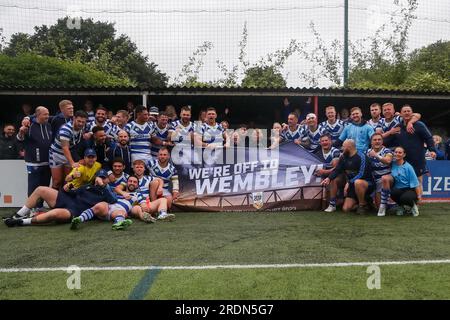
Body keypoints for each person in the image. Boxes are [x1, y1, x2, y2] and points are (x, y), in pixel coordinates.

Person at [4, 171, 116, 227]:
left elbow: (113, 200)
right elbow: (72, 192)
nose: (100, 179)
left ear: (107, 180)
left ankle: (21, 222)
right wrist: (67, 189)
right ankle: (18, 214)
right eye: (99, 177)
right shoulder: (87, 186)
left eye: (103, 178)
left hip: (75, 211)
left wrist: (103, 186)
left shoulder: (107, 191)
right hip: (67, 200)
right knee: (41, 189)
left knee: (54, 214)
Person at [322, 139, 374, 214]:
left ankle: (362, 205)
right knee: (346, 209)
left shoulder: (362, 157)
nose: (342, 149)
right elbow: (337, 169)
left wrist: (349, 182)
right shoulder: (343, 157)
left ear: (349, 147)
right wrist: (329, 178)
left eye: (343, 146)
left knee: (358, 182)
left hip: (366, 184)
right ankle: (367, 203)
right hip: (352, 185)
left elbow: (362, 174)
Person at [395, 105, 436, 197]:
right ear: (401, 114)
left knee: (417, 181)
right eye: (404, 111)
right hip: (403, 160)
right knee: (405, 181)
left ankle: (417, 203)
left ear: (412, 113)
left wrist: (432, 150)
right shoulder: (398, 127)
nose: (406, 113)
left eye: (408, 111)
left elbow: (429, 138)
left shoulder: (419, 125)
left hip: (417, 159)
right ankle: (407, 202)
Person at [16, 107, 52, 206]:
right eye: (45, 114)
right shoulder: (29, 126)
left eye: (48, 114)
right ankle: (31, 208)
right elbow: (19, 139)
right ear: (37, 115)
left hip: (47, 162)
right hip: (33, 162)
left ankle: (39, 207)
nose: (47, 116)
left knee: (44, 187)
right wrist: (21, 132)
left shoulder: (49, 125)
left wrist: (27, 117)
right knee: (33, 187)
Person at [48, 110, 88, 189]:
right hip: (57, 154)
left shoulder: (83, 127)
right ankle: (53, 200)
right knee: (57, 181)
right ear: (74, 118)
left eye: (83, 122)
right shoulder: (65, 130)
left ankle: (64, 199)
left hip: (70, 153)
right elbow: (65, 148)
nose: (80, 124)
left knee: (68, 180)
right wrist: (72, 163)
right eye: (79, 121)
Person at [366, 133, 394, 216]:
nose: (377, 141)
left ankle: (391, 203)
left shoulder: (387, 151)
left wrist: (376, 155)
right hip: (374, 180)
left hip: (386, 179)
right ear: (371, 142)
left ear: (382, 141)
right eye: (375, 140)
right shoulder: (367, 152)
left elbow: (388, 160)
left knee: (384, 178)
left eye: (379, 140)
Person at [390, 146, 421, 217]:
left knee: (405, 198)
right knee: (392, 193)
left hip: (409, 189)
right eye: (396, 152)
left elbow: (416, 183)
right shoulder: (392, 164)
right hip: (397, 189)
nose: (397, 154)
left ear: (404, 155)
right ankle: (401, 206)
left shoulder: (408, 167)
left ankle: (413, 206)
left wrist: (419, 197)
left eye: (400, 152)